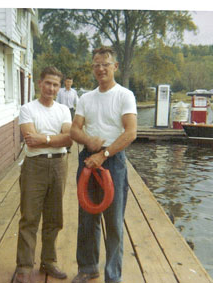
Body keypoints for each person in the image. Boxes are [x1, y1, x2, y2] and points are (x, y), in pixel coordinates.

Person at [70, 46, 137, 283]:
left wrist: (105, 153)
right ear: (93, 68)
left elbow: (130, 133)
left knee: (114, 222)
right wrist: (89, 142)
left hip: (113, 161)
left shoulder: (124, 95)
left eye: (105, 64)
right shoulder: (86, 98)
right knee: (87, 218)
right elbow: (74, 129)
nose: (101, 69)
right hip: (88, 160)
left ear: (115, 66)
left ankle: (113, 276)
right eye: (96, 64)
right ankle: (88, 267)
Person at [14, 66, 72, 283]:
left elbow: (69, 139)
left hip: (59, 165)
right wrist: (54, 138)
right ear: (40, 83)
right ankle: (24, 267)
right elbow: (30, 138)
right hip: (34, 166)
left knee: (54, 217)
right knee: (29, 216)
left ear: (60, 87)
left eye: (55, 84)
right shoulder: (28, 108)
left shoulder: (64, 110)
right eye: (48, 83)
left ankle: (48, 261)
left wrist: (45, 139)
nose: (51, 88)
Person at [56, 76, 79, 153]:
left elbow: (77, 102)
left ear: (72, 83)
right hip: (61, 111)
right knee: (60, 127)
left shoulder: (74, 92)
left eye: (70, 82)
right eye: (67, 82)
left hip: (71, 111)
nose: (68, 83)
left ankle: (68, 147)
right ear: (65, 82)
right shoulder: (60, 91)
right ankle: (61, 145)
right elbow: (57, 102)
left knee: (69, 129)